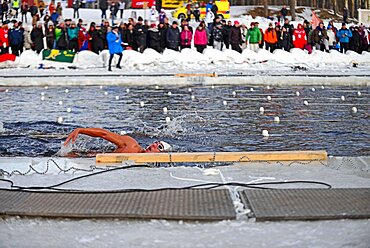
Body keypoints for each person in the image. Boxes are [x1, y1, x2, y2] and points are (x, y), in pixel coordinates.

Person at [64, 128, 171, 155]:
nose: (153, 145)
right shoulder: (131, 145)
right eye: (155, 142)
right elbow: (104, 134)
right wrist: (80, 130)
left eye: (159, 147)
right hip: (86, 157)